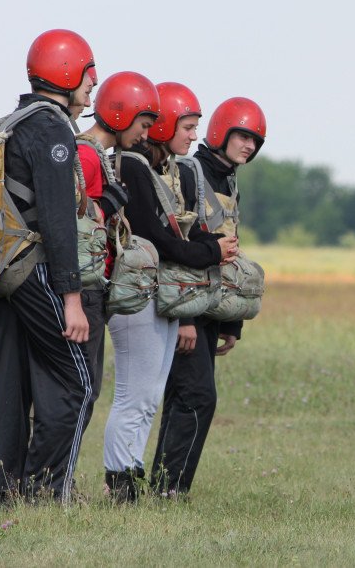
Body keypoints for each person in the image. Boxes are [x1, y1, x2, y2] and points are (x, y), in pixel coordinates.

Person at [94, 72, 238, 501]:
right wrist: (208, 253)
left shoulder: (156, 168)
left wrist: (205, 246)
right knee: (135, 396)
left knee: (148, 395)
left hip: (150, 293)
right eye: (188, 126)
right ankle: (120, 483)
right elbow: (156, 239)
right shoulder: (136, 167)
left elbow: (170, 236)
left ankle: (129, 478)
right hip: (137, 293)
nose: (195, 135)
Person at [0, 28, 95, 506]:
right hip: (32, 272)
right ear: (68, 75)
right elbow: (56, 220)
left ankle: (4, 494)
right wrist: (72, 299)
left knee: (9, 385)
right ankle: (45, 494)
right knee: (77, 382)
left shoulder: (13, 121)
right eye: (88, 78)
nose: (91, 88)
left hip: (0, 274)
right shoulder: (51, 130)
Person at [151, 96, 267, 497]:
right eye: (243, 136)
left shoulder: (230, 181)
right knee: (196, 396)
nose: (249, 146)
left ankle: (164, 488)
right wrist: (184, 317)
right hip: (187, 306)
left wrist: (231, 322)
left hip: (210, 305)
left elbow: (231, 251)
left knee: (189, 397)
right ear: (222, 132)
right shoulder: (190, 171)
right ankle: (168, 490)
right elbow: (181, 241)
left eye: (255, 140)